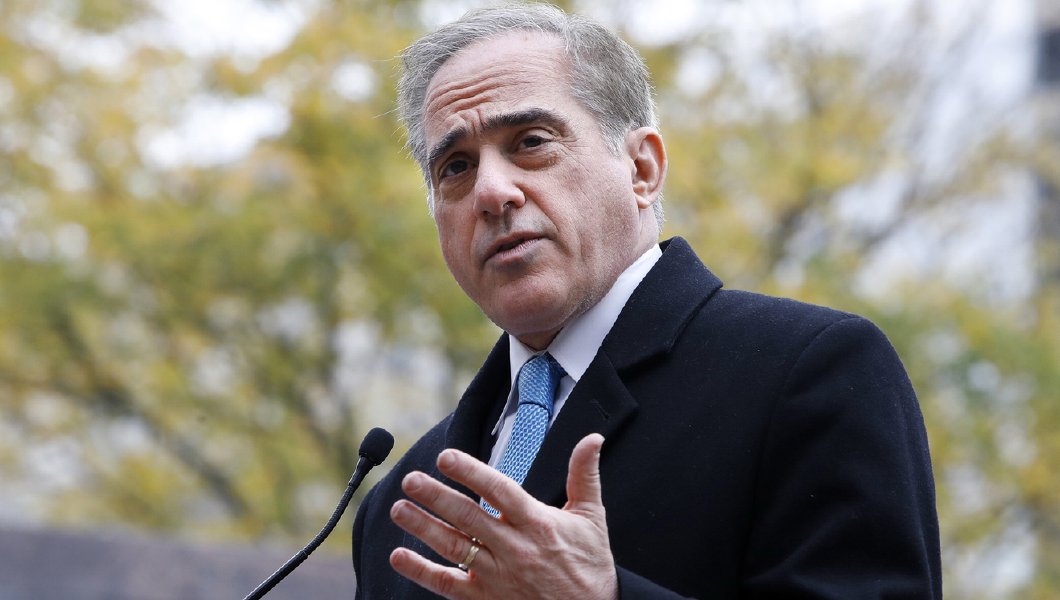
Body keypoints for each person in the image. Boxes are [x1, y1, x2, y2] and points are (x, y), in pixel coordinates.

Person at [351, 4, 941, 599]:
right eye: (455, 166)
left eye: (530, 142)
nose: (491, 191)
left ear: (642, 169)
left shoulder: (809, 372)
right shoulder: (395, 507)